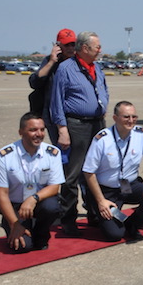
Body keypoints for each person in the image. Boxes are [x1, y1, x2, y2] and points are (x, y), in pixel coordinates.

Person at [49, 30, 109, 237]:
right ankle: (68, 219)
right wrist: (62, 129)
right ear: (84, 48)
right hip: (76, 125)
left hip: (97, 125)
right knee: (73, 174)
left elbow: (104, 89)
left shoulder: (96, 67)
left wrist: (103, 107)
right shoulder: (66, 69)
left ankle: (95, 213)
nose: (100, 50)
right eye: (97, 47)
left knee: (96, 170)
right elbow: (56, 101)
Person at [82, 101, 143, 242]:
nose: (131, 121)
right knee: (115, 235)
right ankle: (99, 212)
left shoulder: (141, 134)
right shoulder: (102, 139)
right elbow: (88, 172)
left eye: (134, 117)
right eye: (126, 117)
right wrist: (101, 201)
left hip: (127, 186)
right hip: (106, 191)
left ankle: (132, 224)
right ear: (115, 118)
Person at [0, 113, 64, 252]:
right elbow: (2, 194)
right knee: (23, 248)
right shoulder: (4, 156)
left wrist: (33, 198)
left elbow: (54, 187)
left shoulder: (52, 153)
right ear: (21, 132)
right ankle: (9, 223)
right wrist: (14, 224)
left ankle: (41, 234)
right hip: (16, 207)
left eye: (42, 130)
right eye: (33, 130)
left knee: (52, 206)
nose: (39, 134)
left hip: (39, 202)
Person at [29, 28, 77, 139]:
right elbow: (34, 82)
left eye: (72, 44)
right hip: (53, 116)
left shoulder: (78, 62)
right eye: (66, 45)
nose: (70, 48)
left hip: (74, 116)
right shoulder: (50, 62)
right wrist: (52, 61)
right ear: (58, 46)